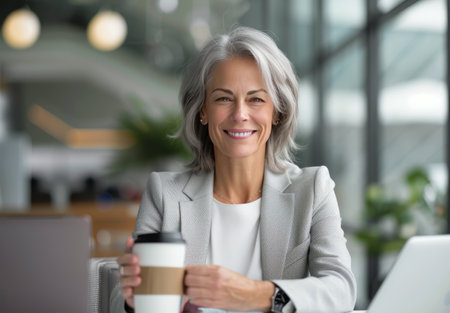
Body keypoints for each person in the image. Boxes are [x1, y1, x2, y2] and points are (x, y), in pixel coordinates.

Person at [112, 26, 357, 313]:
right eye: (224, 98)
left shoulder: (313, 189)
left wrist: (253, 294)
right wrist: (133, 300)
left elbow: (341, 290)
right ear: (202, 110)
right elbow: (121, 302)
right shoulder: (164, 193)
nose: (240, 114)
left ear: (277, 111)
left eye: (256, 99)